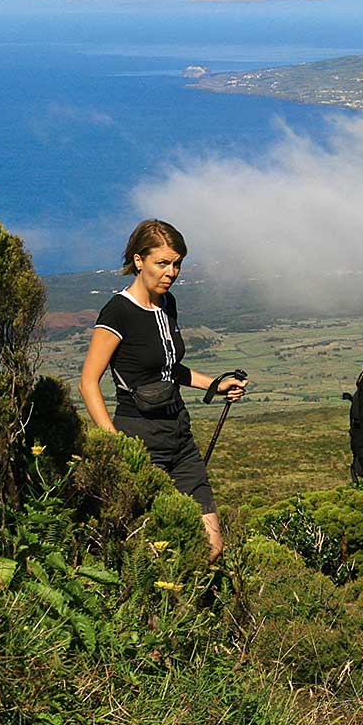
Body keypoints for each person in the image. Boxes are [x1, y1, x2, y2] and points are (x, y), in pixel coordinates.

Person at [78, 219, 247, 563]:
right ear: (139, 261)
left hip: (179, 437)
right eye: (163, 263)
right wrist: (114, 444)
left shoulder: (168, 304)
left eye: (177, 264)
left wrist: (214, 384)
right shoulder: (118, 312)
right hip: (139, 438)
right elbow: (88, 382)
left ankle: (188, 607)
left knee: (212, 547)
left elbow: (169, 369)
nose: (171, 272)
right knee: (152, 550)